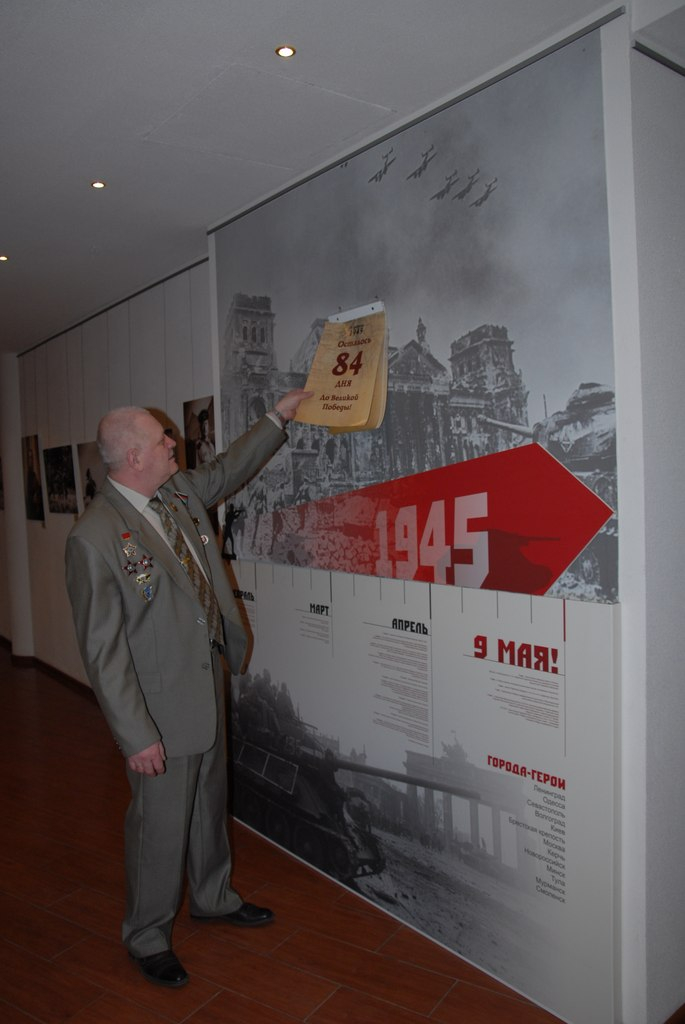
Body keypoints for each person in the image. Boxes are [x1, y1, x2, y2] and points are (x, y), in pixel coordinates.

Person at [64, 389, 311, 989]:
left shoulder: (174, 492)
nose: (173, 442)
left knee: (207, 805)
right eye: (161, 439)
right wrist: (135, 735)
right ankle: (147, 935)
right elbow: (103, 650)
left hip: (203, 684)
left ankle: (213, 896)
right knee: (159, 826)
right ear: (133, 456)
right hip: (157, 711)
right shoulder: (95, 538)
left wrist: (278, 417)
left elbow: (228, 469)